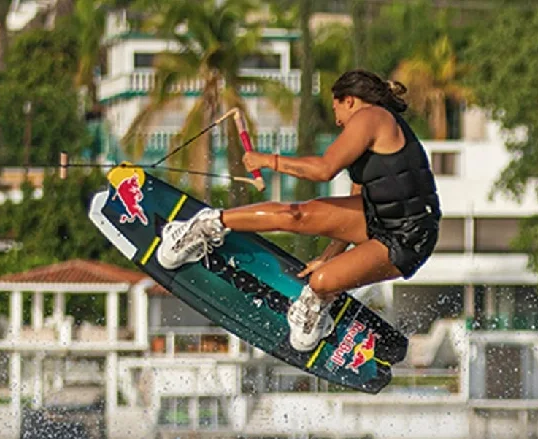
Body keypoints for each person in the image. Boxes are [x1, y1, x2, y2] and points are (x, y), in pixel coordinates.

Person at [157, 69, 442, 352]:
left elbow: (324, 170)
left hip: (408, 240)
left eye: (337, 109)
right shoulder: (370, 131)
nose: (337, 120)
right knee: (295, 214)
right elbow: (355, 201)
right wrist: (329, 255)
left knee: (320, 281)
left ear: (350, 101)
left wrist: (268, 160)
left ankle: (317, 306)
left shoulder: (371, 117)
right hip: (377, 216)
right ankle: (207, 225)